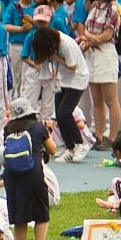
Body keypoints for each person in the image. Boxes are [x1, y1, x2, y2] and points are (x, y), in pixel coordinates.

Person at [1, 96, 57, 240]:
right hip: (33, 174)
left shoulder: (8, 128)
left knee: (20, 215)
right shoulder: (38, 127)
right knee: (41, 212)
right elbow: (52, 150)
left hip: (12, 176)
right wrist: (48, 132)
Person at [30, 25, 89, 163]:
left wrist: (54, 56)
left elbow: (73, 66)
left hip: (77, 78)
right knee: (58, 115)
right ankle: (69, 148)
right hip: (63, 80)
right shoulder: (51, 43)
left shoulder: (66, 44)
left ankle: (81, 144)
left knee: (65, 112)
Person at [80, 0, 121, 149]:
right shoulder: (94, 6)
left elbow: (106, 35)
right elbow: (86, 31)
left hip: (105, 53)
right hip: (91, 53)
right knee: (96, 100)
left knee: (111, 99)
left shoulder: (113, 8)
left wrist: (89, 37)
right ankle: (98, 135)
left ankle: (112, 137)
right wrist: (89, 38)